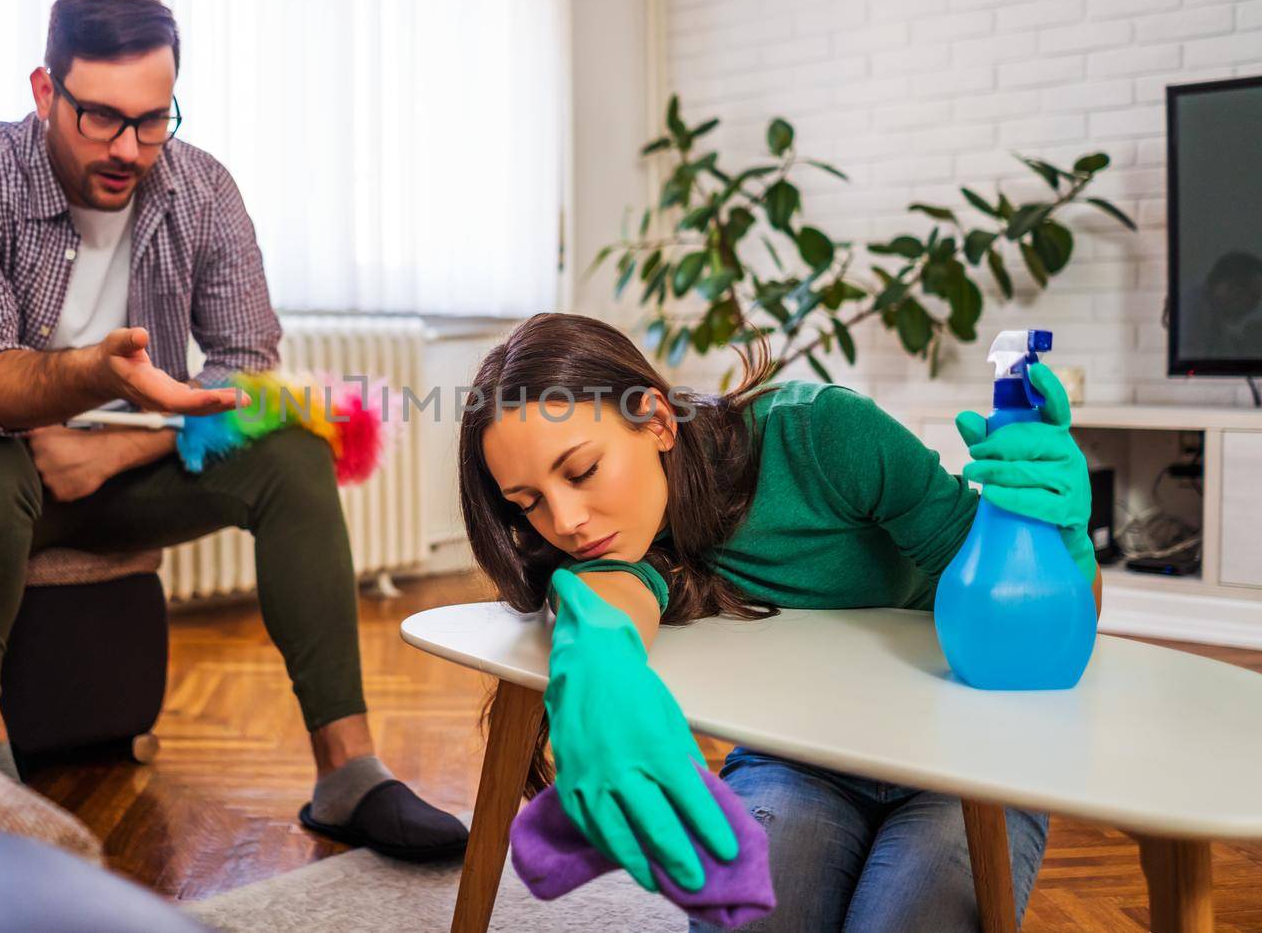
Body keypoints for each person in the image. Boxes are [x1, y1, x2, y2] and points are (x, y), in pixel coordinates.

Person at [0, 0, 465, 860]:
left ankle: (347, 771)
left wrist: (116, 448)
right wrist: (101, 373)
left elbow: (248, 357)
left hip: (115, 472)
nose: (129, 148)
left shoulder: (201, 187)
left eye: (154, 117)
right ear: (45, 89)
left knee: (290, 449)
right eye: (101, 118)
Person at [457, 313, 1102, 930]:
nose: (565, 521)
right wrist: (598, 670)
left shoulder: (822, 436)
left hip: (970, 756)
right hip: (796, 758)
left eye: (582, 471)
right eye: (530, 502)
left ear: (654, 421)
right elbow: (607, 606)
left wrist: (1062, 542)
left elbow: (1048, 609)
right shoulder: (624, 541)